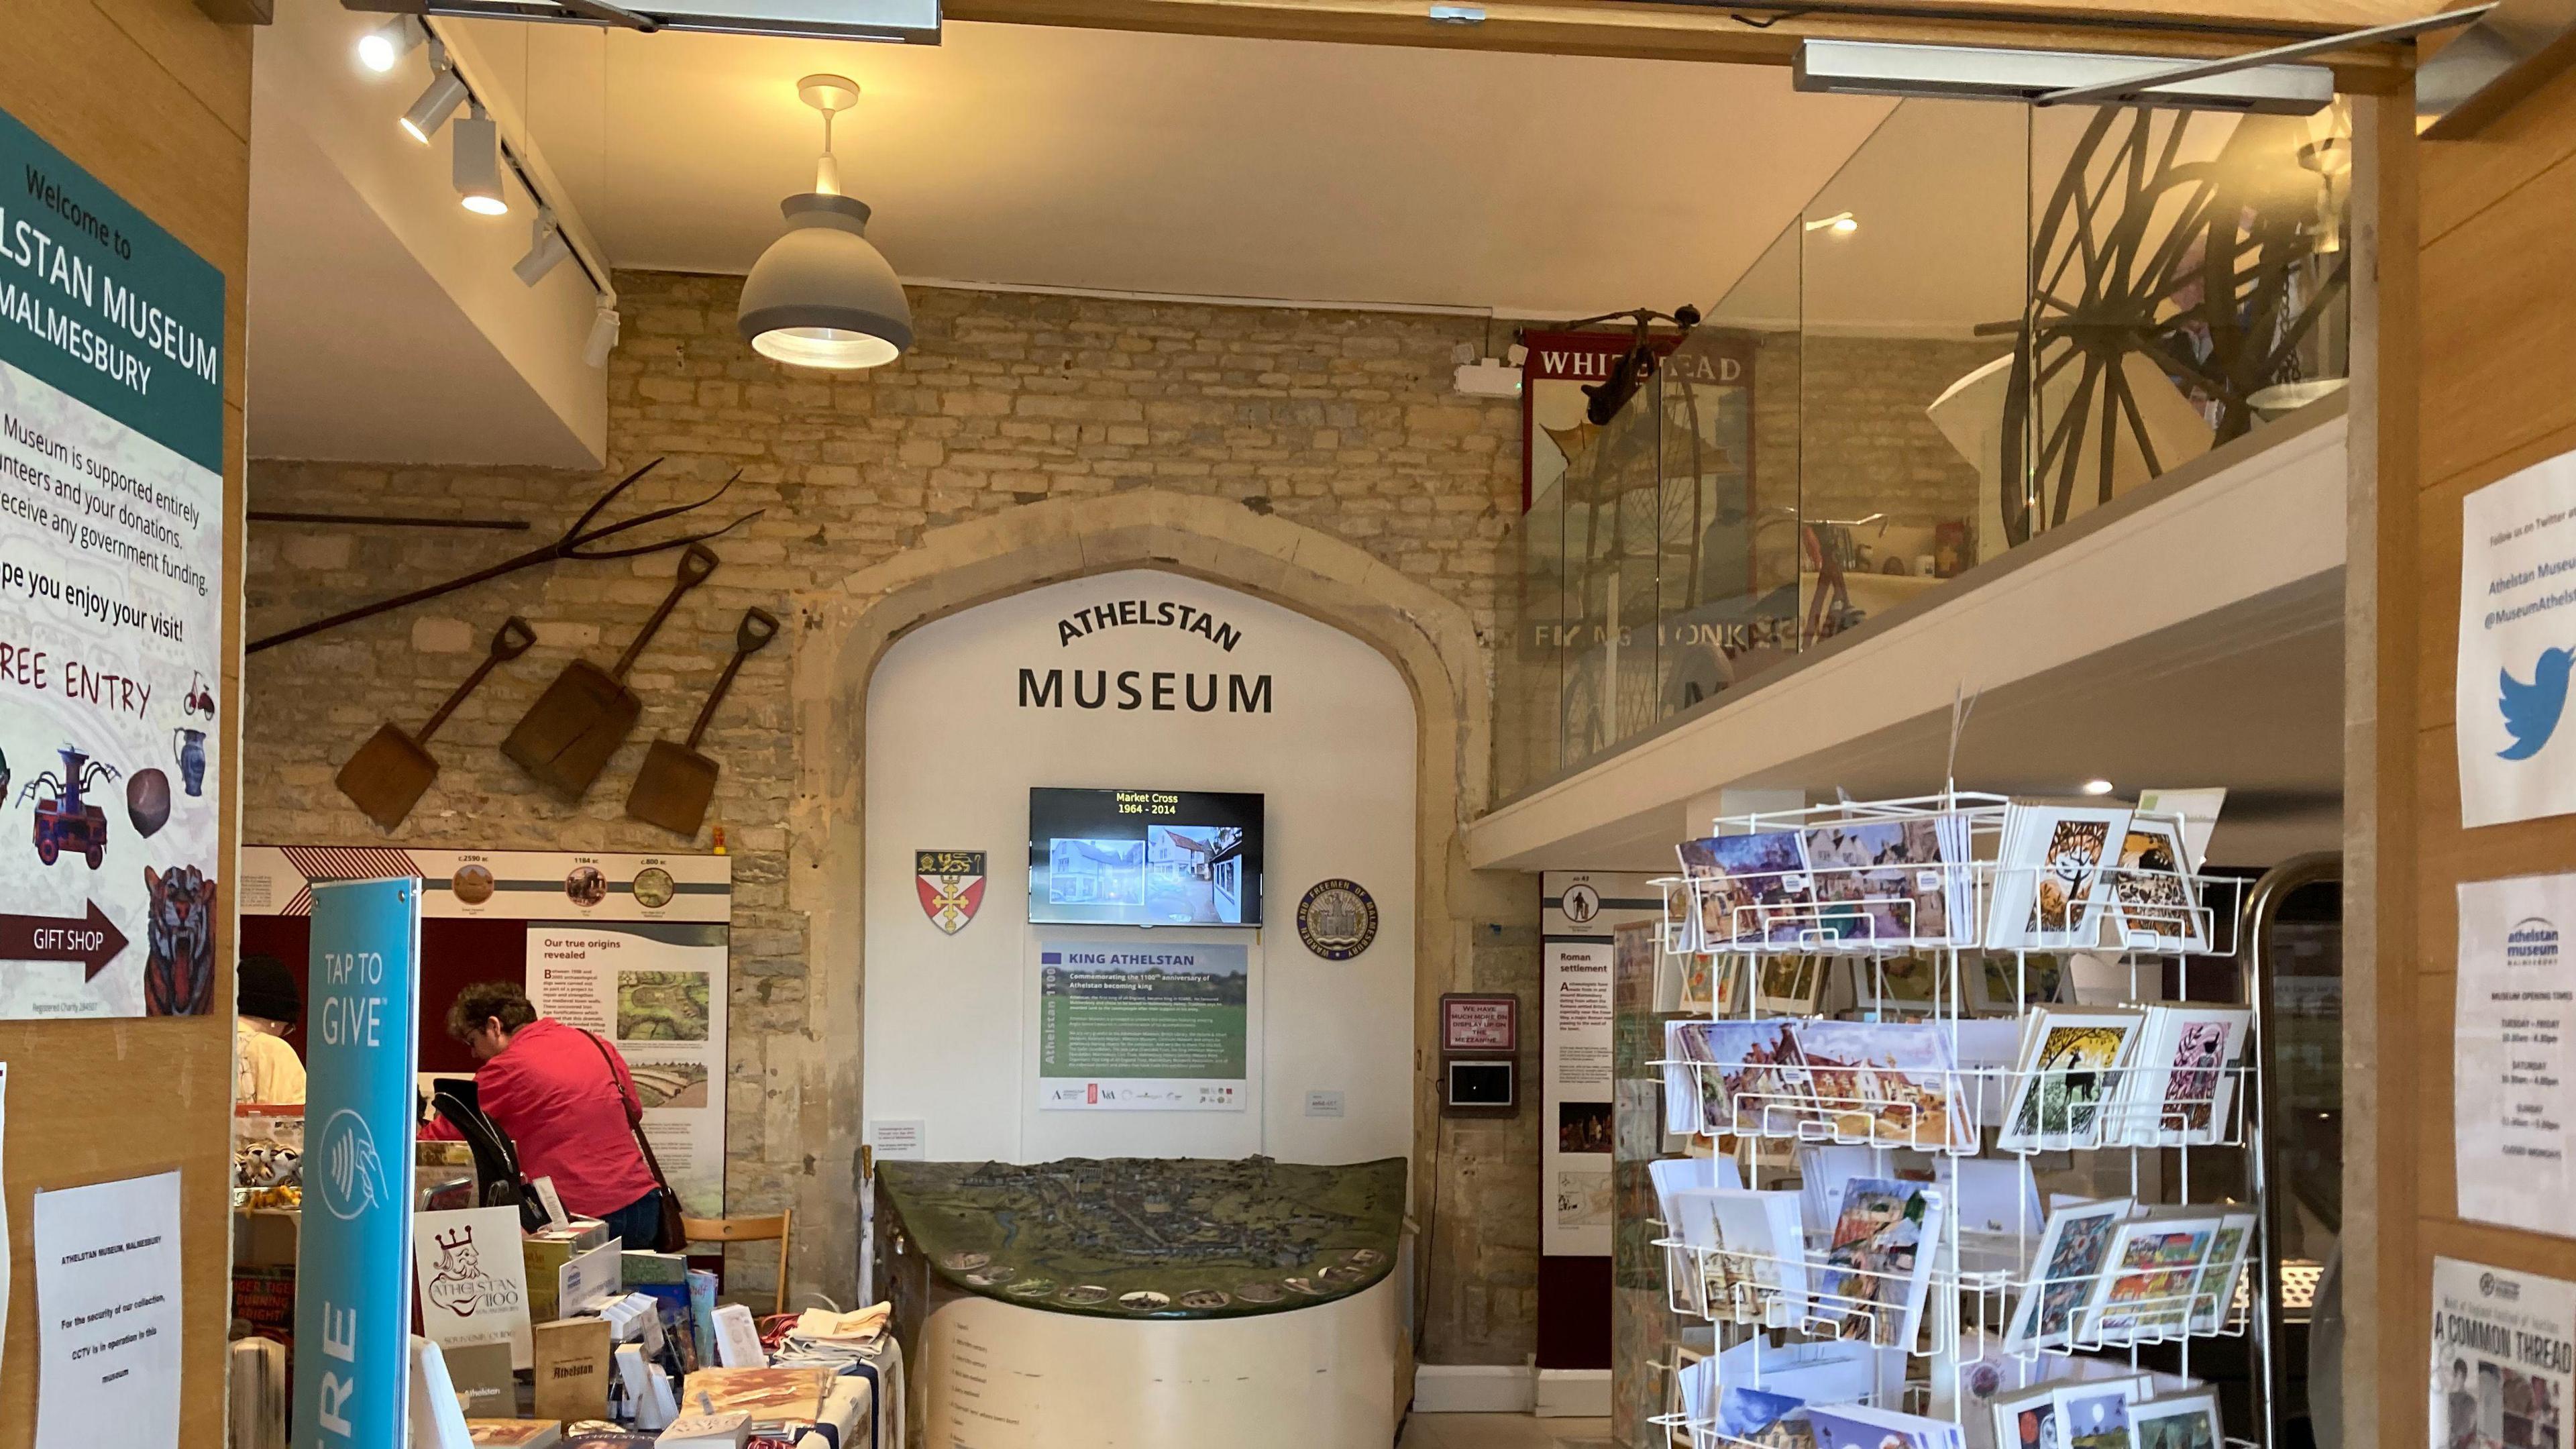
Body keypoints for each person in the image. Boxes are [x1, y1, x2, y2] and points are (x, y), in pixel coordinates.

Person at [426, 981, 665, 1248]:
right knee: (631, 1291)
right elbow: (634, 1110)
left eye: (473, 1041)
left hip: (579, 1217)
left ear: (494, 1026)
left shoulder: (507, 1068)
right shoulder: (595, 1042)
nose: (474, 1053)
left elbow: (440, 1138)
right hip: (643, 1206)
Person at [235, 953, 307, 1106]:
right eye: (287, 1029)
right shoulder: (274, 1052)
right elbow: (295, 1126)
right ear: (277, 1021)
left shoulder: (205, 1042)